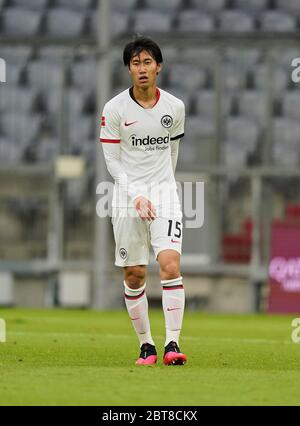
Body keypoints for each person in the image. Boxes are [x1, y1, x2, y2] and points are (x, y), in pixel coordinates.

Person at [100, 36, 187, 366]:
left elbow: (173, 151)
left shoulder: (174, 107)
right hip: (126, 198)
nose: (142, 69)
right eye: (135, 63)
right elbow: (112, 160)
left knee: (170, 265)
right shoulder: (114, 109)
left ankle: (172, 344)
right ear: (128, 69)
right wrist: (135, 195)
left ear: (159, 67)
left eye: (148, 62)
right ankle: (146, 345)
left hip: (164, 195)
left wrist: (164, 187)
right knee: (135, 274)